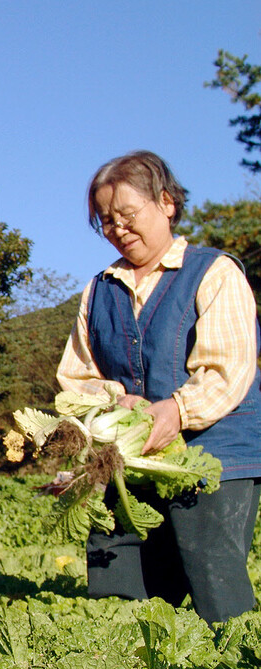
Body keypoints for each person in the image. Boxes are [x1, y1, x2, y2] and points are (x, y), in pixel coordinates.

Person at [57, 150, 261, 624]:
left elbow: (226, 371)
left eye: (127, 214)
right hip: (128, 457)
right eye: (105, 221)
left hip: (216, 452)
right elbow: (76, 376)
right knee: (117, 567)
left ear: (166, 203)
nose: (118, 228)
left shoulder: (215, 272)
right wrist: (113, 399)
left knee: (210, 569)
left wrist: (175, 411)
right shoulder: (99, 288)